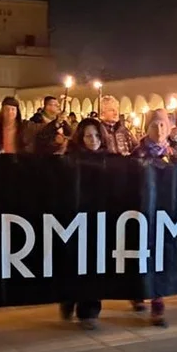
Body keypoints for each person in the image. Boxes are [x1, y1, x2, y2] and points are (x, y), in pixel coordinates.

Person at [61, 118, 109, 329]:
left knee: (95, 266)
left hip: (100, 220)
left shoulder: (109, 159)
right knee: (74, 264)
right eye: (89, 136)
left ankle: (89, 311)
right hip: (75, 218)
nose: (94, 140)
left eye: (97, 136)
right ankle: (68, 298)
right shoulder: (70, 160)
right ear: (80, 138)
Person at [133, 108, 177, 326]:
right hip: (143, 210)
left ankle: (157, 303)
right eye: (154, 125)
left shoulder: (173, 153)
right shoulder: (138, 153)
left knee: (160, 256)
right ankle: (137, 292)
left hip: (165, 211)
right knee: (142, 254)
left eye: (163, 125)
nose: (159, 129)